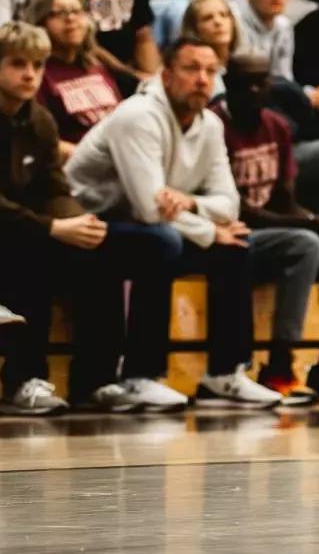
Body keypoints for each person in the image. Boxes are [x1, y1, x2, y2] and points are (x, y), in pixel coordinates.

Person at [0, 21, 132, 415]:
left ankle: (96, 381)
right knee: (31, 252)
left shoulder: (40, 120)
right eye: (18, 64)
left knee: (100, 251)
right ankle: (22, 381)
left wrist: (79, 224)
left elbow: (55, 189)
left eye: (37, 65)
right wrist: (53, 228)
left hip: (9, 225)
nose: (30, 74)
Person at [65, 35, 283, 410]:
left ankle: (225, 374)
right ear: (166, 75)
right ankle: (140, 375)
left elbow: (229, 204)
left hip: (149, 225)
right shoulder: (138, 116)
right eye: (191, 69)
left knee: (234, 246)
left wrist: (192, 202)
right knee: (162, 242)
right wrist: (210, 229)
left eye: (211, 71)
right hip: (85, 227)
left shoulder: (210, 124)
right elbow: (149, 210)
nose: (202, 79)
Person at [216, 51, 319, 406]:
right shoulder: (215, 126)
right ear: (228, 86)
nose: (255, 91)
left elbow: (286, 201)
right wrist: (314, 223)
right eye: (246, 84)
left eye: (262, 83)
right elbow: (242, 211)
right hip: (229, 236)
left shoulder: (276, 126)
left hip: (273, 233)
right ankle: (279, 366)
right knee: (305, 243)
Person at [22, 0, 124, 147]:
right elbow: (39, 142)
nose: (71, 18)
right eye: (59, 13)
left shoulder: (96, 65)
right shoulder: (36, 73)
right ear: (40, 23)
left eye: (76, 11)